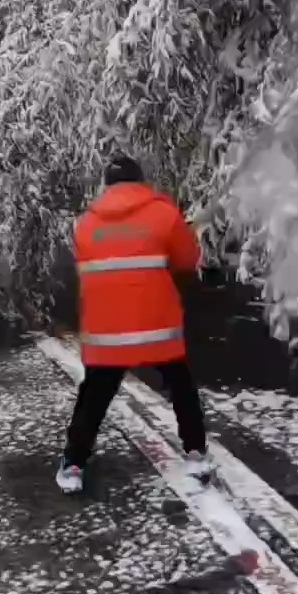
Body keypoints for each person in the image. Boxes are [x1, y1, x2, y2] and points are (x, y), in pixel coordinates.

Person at [56, 154, 212, 493]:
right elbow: (187, 261)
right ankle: (196, 453)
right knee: (181, 386)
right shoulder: (164, 214)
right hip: (156, 329)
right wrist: (184, 235)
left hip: (107, 336)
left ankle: (73, 464)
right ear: (140, 182)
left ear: (107, 186)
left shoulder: (86, 225)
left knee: (93, 398)